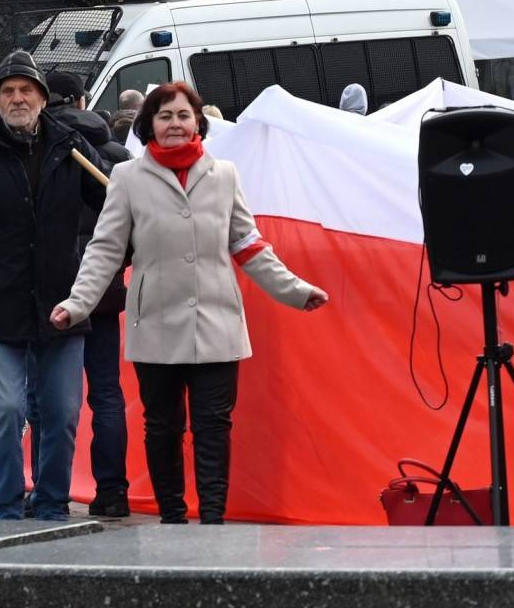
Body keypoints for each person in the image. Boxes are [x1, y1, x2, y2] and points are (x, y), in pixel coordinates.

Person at [52, 82, 329, 524]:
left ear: (197, 122)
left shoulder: (225, 175)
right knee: (162, 427)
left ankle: (213, 519)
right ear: (149, 126)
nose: (175, 124)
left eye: (183, 115)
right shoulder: (127, 178)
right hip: (155, 325)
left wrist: (294, 290)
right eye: (165, 117)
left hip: (217, 323)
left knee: (213, 427)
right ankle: (173, 518)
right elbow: (104, 250)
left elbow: (248, 244)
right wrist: (78, 303)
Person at [0, 50, 108, 521]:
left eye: (25, 91)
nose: (17, 99)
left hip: (63, 303)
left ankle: (52, 501)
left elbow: (115, 205)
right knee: (9, 408)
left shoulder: (70, 146)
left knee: (63, 412)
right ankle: (7, 504)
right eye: (8, 91)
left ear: (42, 99)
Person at [44, 71, 133, 518]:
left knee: (46, 396)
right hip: (103, 293)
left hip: (53, 293)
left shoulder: (39, 148)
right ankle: (113, 491)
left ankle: (48, 492)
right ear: (82, 99)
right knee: (106, 393)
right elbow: (132, 228)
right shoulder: (116, 155)